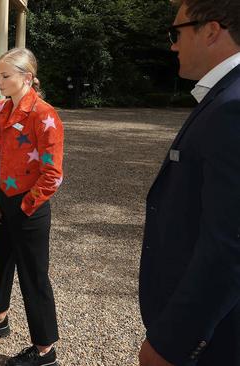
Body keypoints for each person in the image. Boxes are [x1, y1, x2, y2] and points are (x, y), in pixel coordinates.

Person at [138, 1, 240, 365]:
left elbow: (229, 246)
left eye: (176, 32)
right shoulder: (224, 96)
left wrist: (174, 342)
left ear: (211, 30)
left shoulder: (232, 106)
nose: (172, 45)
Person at [0, 48, 64, 366]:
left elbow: (53, 175)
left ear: (26, 77)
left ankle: (44, 350)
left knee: (33, 277)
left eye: (4, 76)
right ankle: (0, 320)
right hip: (4, 201)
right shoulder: (1, 109)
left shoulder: (44, 115)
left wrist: (24, 207)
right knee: (2, 263)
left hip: (30, 209)